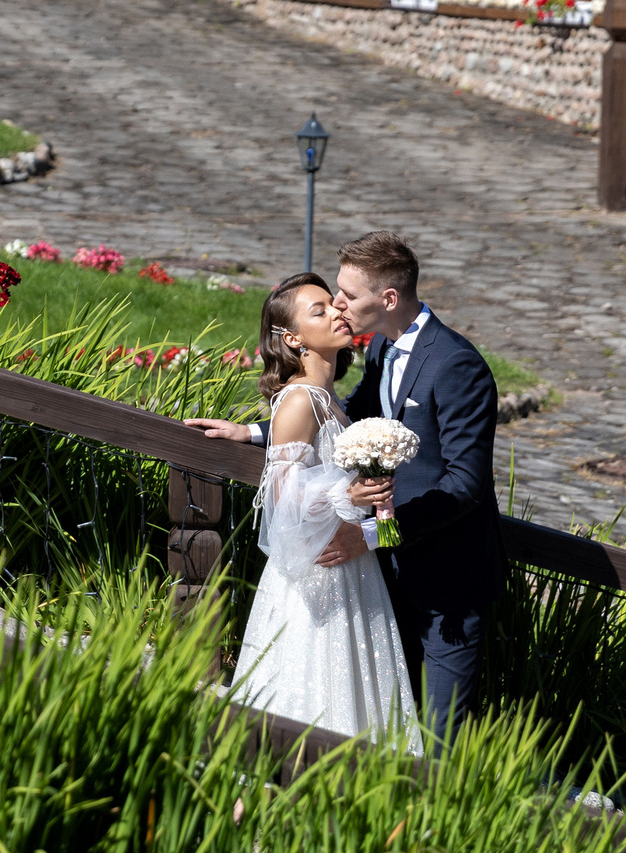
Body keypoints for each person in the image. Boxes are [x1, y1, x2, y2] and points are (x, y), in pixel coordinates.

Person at [190, 232, 501, 743]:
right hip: (379, 577)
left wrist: (373, 535)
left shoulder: (456, 365)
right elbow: (344, 419)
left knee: (438, 737)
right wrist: (254, 432)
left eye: (348, 295)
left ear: (388, 299)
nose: (338, 303)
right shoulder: (381, 346)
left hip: (445, 580)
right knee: (379, 716)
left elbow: (465, 485)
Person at [223, 271, 419, 742]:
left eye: (333, 303)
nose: (337, 312)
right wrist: (344, 495)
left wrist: (379, 526)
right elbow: (280, 500)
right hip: (317, 577)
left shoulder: (330, 401)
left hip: (351, 567)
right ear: (293, 339)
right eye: (320, 310)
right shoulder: (300, 400)